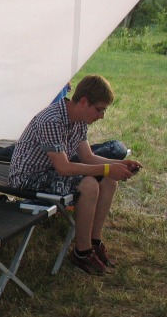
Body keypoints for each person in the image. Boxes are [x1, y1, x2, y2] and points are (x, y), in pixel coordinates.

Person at [9, 74, 143, 275]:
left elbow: (88, 157)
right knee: (89, 184)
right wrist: (107, 168)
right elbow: (64, 168)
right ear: (83, 102)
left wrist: (119, 164)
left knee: (109, 181)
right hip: (27, 178)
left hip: (51, 172)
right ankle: (82, 252)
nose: (101, 116)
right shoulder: (52, 120)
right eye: (99, 109)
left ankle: (94, 242)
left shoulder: (79, 119)